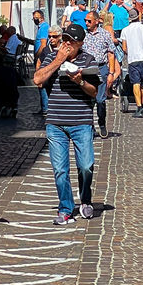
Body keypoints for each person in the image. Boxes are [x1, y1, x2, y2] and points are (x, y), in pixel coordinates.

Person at [32, 23, 99, 225]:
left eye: (72, 42)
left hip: (81, 121)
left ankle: (85, 200)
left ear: (80, 44)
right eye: (65, 40)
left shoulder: (88, 59)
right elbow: (37, 79)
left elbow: (95, 92)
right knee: (60, 169)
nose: (67, 44)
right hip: (56, 123)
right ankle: (65, 208)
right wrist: (58, 60)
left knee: (86, 166)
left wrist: (79, 81)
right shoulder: (52, 57)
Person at [82, 10, 121, 137]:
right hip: (86, 69)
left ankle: (102, 123)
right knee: (87, 100)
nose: (86, 23)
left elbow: (111, 53)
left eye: (89, 21)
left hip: (101, 68)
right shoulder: (83, 35)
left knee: (100, 100)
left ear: (97, 21)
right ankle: (90, 127)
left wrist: (111, 72)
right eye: (85, 21)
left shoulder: (105, 34)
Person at [122, 15, 143, 116]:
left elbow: (124, 48)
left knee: (136, 83)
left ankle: (139, 107)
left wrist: (131, 52)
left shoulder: (125, 30)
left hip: (133, 60)